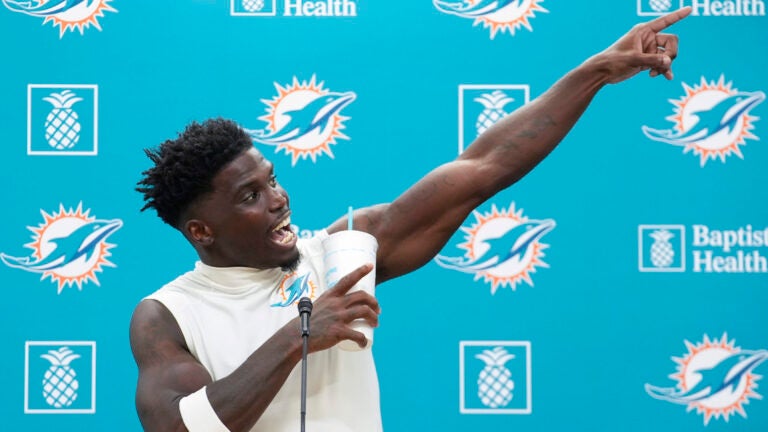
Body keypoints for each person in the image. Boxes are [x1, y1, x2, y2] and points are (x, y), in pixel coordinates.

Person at [129, 7, 691, 432]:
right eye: (250, 196)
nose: (278, 199)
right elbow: (179, 427)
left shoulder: (341, 255)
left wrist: (594, 72)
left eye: (272, 180)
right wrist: (298, 335)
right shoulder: (167, 316)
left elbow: (483, 166)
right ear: (201, 231)